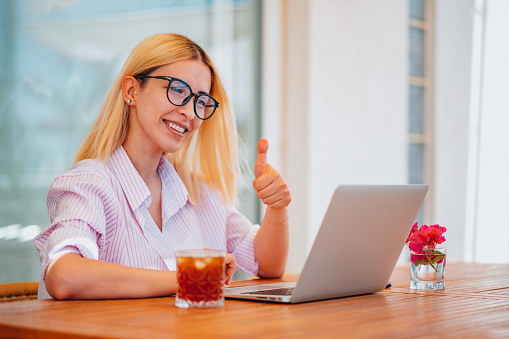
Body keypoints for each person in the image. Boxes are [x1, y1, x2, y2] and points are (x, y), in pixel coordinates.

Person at [33, 33, 291, 300]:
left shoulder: (199, 193)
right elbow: (64, 277)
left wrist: (276, 208)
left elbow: (268, 265)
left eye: (200, 101)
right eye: (178, 90)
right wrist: (188, 276)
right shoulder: (90, 184)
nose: (190, 113)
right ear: (132, 91)